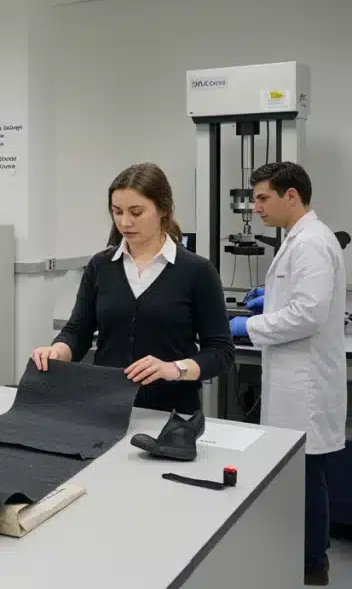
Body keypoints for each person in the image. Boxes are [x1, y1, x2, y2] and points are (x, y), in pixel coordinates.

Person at [32, 163, 233, 413]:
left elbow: (221, 352)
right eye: (117, 212)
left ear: (163, 209)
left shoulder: (197, 271)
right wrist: (58, 351)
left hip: (172, 413)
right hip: (105, 407)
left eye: (136, 212)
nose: (125, 222)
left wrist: (174, 368)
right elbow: (78, 330)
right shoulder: (100, 265)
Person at [229, 162, 346, 586]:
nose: (256, 207)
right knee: (299, 474)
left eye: (263, 198)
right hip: (295, 380)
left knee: (307, 476)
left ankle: (312, 564)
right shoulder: (301, 238)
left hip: (306, 387)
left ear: (291, 195)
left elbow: (308, 315)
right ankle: (300, 553)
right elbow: (300, 300)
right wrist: (271, 297)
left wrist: (248, 326)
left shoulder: (311, 242)